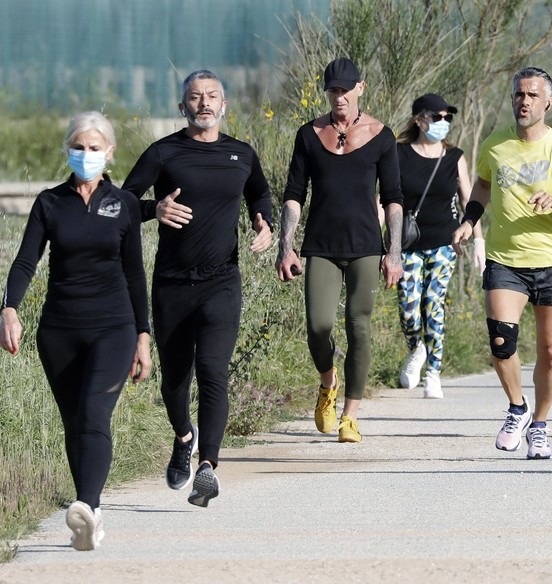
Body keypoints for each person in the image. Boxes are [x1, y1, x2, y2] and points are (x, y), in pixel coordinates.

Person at [123, 70, 274, 508]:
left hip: (221, 281)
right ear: (182, 106)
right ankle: (184, 436)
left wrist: (262, 222)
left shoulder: (241, 154)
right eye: (195, 97)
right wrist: (155, 207)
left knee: (213, 370)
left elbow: (259, 195)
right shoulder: (163, 152)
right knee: (175, 380)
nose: (204, 103)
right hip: (172, 283)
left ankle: (207, 467)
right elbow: (121, 201)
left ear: (224, 105)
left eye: (211, 96)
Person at [1, 111, 151, 549]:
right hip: (59, 330)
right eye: (79, 147)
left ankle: (87, 505)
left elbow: (135, 274)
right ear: (68, 149)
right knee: (73, 423)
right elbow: (26, 261)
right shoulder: (50, 203)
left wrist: (143, 335)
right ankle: (92, 519)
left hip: (114, 326)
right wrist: (9, 309)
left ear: (110, 153)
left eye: (94, 148)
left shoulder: (122, 204)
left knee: (93, 414)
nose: (86, 155)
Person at [452, 66, 552, 459]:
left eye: (533, 95)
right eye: (519, 94)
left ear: (548, 103)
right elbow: (483, 183)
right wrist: (469, 221)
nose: (524, 101)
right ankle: (517, 407)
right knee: (502, 342)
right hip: (505, 260)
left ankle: (540, 424)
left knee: (551, 352)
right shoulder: (495, 145)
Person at [276, 58, 403, 441]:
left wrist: (393, 253)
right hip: (321, 245)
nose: (339, 97)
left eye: (345, 90)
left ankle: (350, 414)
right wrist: (286, 246)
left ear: (360, 88)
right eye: (333, 90)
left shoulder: (382, 136)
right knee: (319, 326)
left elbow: (393, 198)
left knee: (359, 326)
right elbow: (294, 195)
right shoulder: (308, 135)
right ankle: (327, 382)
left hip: (366, 244)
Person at [395, 93, 484, 398]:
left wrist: (478, 240)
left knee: (434, 304)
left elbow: (469, 200)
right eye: (437, 117)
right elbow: (387, 201)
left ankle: (433, 371)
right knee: (409, 309)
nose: (443, 122)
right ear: (419, 120)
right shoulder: (399, 154)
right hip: (407, 244)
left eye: (447, 117)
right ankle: (416, 348)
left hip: (445, 243)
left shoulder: (454, 157)